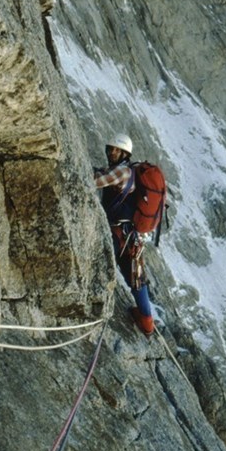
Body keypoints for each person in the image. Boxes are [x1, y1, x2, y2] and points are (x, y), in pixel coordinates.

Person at [93, 133, 157, 336]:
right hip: (129, 235)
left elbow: (96, 181)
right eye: (110, 149)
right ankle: (146, 321)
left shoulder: (122, 172)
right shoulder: (125, 170)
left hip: (119, 232)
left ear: (125, 154)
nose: (112, 152)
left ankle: (145, 320)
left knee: (107, 263)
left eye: (116, 150)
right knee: (135, 277)